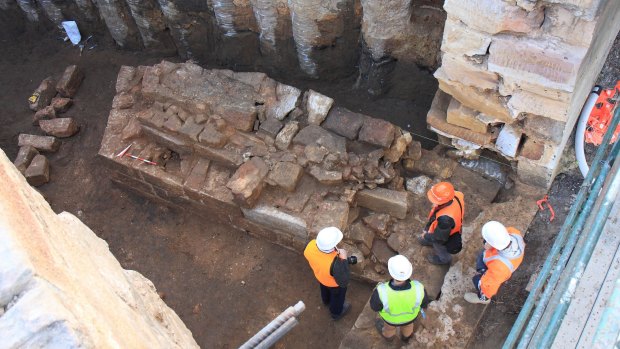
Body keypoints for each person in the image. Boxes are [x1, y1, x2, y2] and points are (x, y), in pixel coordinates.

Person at [370, 255, 430, 343]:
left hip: (390, 320)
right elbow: (424, 304)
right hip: (410, 318)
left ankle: (389, 338)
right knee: (408, 327)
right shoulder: (419, 288)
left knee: (389, 330)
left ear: (391, 273)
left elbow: (374, 307)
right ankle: (406, 338)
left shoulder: (381, 291)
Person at [465, 221, 526, 304]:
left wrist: (485, 293)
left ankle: (483, 299)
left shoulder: (499, 268)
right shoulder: (514, 232)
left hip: (499, 270)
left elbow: (489, 287)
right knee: (482, 255)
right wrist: (490, 244)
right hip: (505, 262)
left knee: (476, 279)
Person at [303, 226, 352, 320]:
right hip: (334, 285)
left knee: (324, 289)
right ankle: (336, 313)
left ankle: (326, 301)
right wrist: (344, 259)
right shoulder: (335, 263)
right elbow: (343, 281)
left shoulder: (310, 245)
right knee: (337, 298)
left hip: (320, 277)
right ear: (331, 246)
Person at [418, 182, 465, 265]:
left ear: (443, 202)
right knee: (433, 238)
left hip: (447, 235)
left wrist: (426, 235)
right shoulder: (455, 195)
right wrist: (427, 231)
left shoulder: (445, 220)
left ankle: (443, 259)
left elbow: (439, 238)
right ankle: (429, 240)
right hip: (445, 227)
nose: (432, 203)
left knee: (439, 245)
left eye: (435, 201)